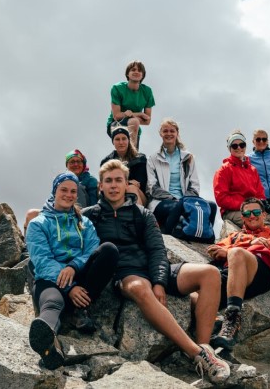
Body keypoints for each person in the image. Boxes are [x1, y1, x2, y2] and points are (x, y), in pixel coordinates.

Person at [83, 159, 230, 385]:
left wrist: (160, 282)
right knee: (140, 287)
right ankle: (194, 353)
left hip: (153, 268)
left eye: (118, 180)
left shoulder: (142, 213)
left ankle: (205, 350)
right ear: (100, 186)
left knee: (210, 274)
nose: (113, 185)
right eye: (108, 181)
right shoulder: (89, 216)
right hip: (125, 274)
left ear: (127, 185)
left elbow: (156, 249)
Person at [27, 172, 119, 370]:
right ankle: (48, 342)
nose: (68, 195)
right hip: (51, 280)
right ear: (54, 191)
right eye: (64, 190)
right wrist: (70, 288)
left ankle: (77, 309)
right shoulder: (38, 224)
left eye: (73, 192)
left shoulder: (84, 223)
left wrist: (73, 267)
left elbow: (91, 248)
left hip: (80, 276)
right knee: (53, 302)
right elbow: (42, 261)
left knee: (109, 250)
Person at [206, 198, 270, 350]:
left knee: (237, 253)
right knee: (195, 293)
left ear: (264, 215)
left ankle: (232, 320)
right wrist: (251, 242)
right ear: (242, 217)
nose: (252, 216)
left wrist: (229, 252)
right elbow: (213, 250)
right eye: (247, 213)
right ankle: (214, 318)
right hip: (230, 276)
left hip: (261, 274)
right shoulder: (233, 236)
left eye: (256, 212)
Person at [146, 118, 217, 234]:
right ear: (160, 134)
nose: (169, 134)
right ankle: (169, 235)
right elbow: (152, 187)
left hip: (185, 200)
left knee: (211, 206)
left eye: (172, 131)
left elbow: (194, 186)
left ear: (177, 133)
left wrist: (183, 200)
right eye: (165, 131)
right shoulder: (153, 159)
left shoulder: (187, 158)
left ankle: (206, 237)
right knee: (176, 207)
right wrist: (175, 200)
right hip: (161, 202)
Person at [23, 149, 98, 234]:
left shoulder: (91, 181)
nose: (76, 164)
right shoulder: (61, 180)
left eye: (79, 161)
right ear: (67, 165)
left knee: (78, 187)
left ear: (83, 164)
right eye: (72, 162)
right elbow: (51, 200)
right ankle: (26, 244)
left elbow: (94, 205)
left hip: (80, 213)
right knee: (31, 214)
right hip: (57, 212)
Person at [106, 60, 155, 149]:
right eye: (133, 70)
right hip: (115, 124)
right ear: (127, 74)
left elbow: (147, 120)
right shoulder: (117, 88)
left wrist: (129, 114)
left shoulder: (147, 91)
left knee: (133, 161)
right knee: (134, 121)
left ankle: (132, 157)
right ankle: (131, 154)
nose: (136, 72)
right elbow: (117, 116)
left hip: (134, 130)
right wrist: (139, 114)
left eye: (139, 71)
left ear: (143, 75)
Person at [100, 125, 148, 206]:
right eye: (117, 139)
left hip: (139, 195)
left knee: (131, 188)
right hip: (115, 192)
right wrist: (128, 182)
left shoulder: (140, 158)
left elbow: (140, 184)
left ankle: (139, 216)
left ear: (128, 140)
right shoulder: (107, 161)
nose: (121, 142)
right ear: (113, 142)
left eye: (124, 139)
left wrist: (126, 184)